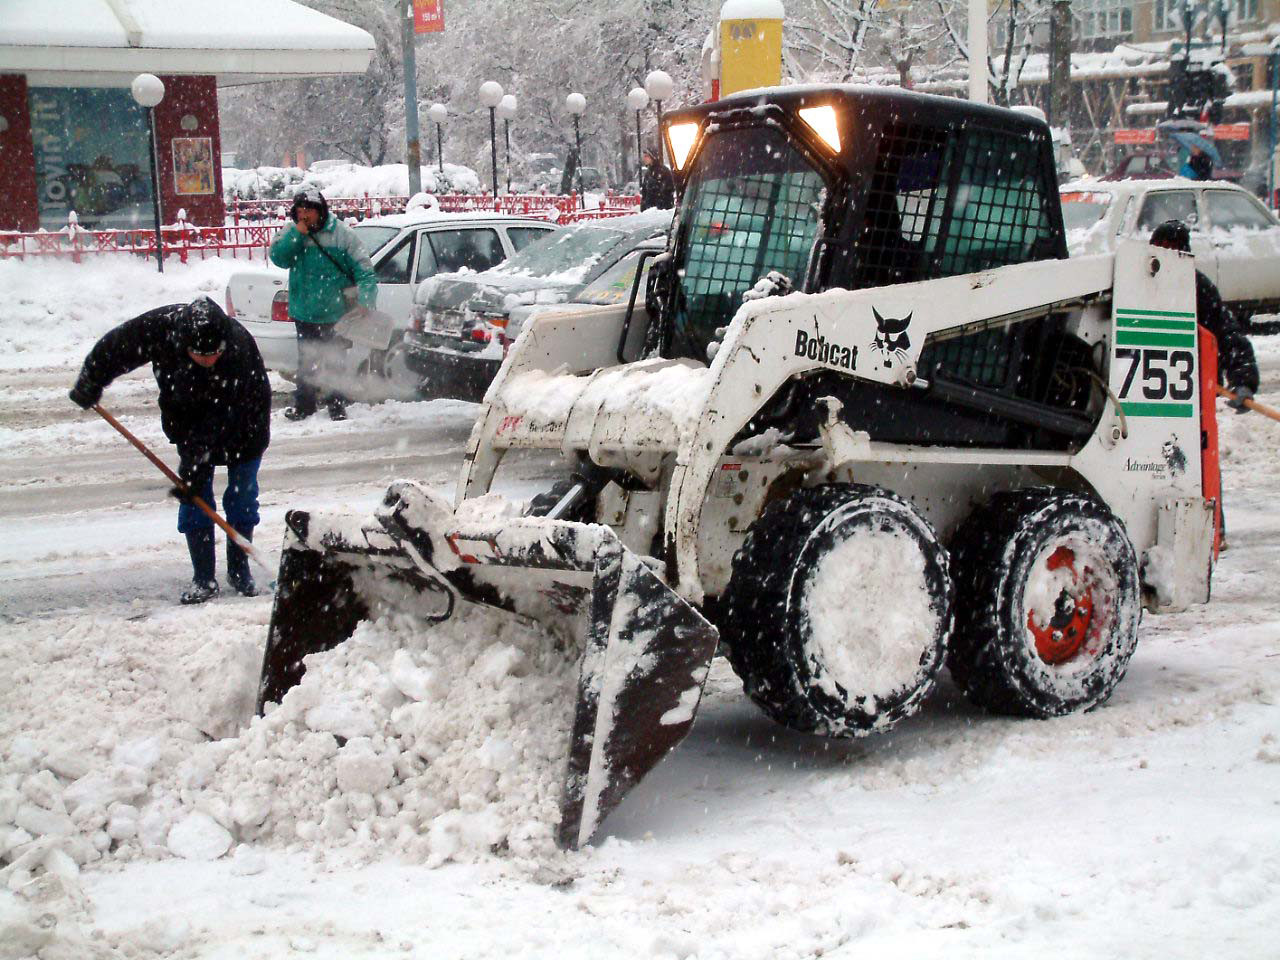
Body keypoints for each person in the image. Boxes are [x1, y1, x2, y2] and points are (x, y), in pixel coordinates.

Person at [68, 297, 271, 604]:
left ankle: (240, 571)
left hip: (244, 425)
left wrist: (196, 463)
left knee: (241, 496)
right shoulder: (162, 329)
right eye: (200, 355)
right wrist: (90, 380)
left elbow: (222, 417)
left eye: (214, 353)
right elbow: (117, 347)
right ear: (184, 343)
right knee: (195, 496)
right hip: (189, 420)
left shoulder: (238, 349)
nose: (208, 360)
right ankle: (203, 578)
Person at [269, 188, 377, 421]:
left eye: (309, 209)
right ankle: (304, 405)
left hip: (335, 313)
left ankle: (336, 404)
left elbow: (364, 269)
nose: (304, 214)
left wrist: (366, 301)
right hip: (304, 311)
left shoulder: (342, 235)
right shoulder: (291, 232)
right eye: (300, 210)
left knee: (335, 360)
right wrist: (297, 234)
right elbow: (279, 257)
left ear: (320, 211)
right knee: (306, 361)